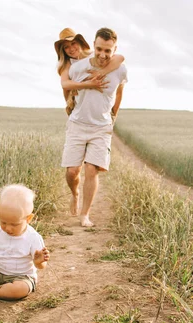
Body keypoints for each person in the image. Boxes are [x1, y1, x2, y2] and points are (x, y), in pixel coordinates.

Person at [59, 27, 128, 227]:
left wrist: (113, 116)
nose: (103, 54)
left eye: (108, 51)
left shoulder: (120, 69)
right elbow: (66, 87)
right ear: (94, 45)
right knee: (72, 171)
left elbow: (119, 92)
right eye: (99, 49)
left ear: (114, 50)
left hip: (101, 127)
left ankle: (85, 214)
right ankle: (75, 193)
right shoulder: (77, 68)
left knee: (91, 169)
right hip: (78, 124)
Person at [54, 27, 125, 115]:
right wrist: (88, 85)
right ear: (63, 50)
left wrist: (101, 72)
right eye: (66, 47)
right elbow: (65, 85)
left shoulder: (92, 55)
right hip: (78, 101)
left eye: (73, 43)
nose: (71, 48)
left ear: (79, 42)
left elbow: (120, 58)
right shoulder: (66, 64)